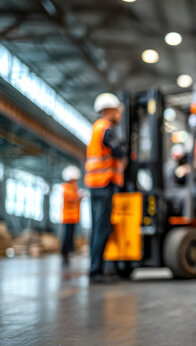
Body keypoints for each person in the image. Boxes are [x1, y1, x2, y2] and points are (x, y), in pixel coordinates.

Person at [85, 93, 127, 283]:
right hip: (103, 184)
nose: (119, 114)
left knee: (97, 228)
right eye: (117, 110)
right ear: (109, 110)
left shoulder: (97, 127)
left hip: (95, 185)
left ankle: (97, 268)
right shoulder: (106, 129)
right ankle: (96, 271)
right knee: (102, 228)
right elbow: (117, 150)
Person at [60, 165, 85, 266]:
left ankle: (70, 251)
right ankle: (64, 253)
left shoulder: (74, 188)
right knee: (67, 236)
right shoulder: (66, 187)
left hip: (74, 217)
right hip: (67, 217)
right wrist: (79, 195)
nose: (76, 182)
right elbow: (70, 197)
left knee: (70, 236)